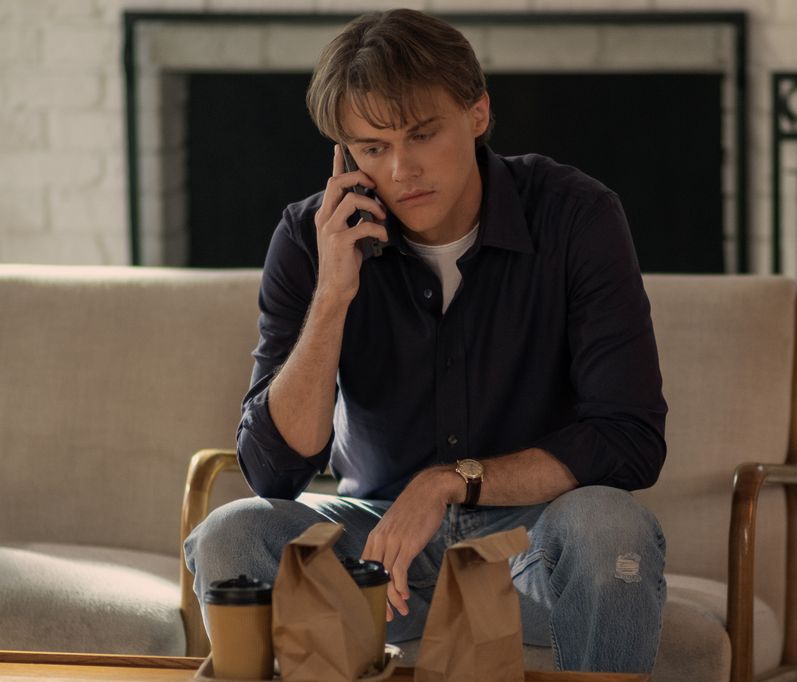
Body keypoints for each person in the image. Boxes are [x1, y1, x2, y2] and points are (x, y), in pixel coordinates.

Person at [184, 8, 668, 674]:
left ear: (477, 113)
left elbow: (629, 440)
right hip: (374, 545)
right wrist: (332, 298)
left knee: (610, 525)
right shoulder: (309, 239)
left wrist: (450, 483)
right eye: (372, 147)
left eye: (422, 133)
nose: (402, 169)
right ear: (344, 154)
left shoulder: (575, 215)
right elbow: (275, 473)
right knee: (232, 532)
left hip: (530, 547)